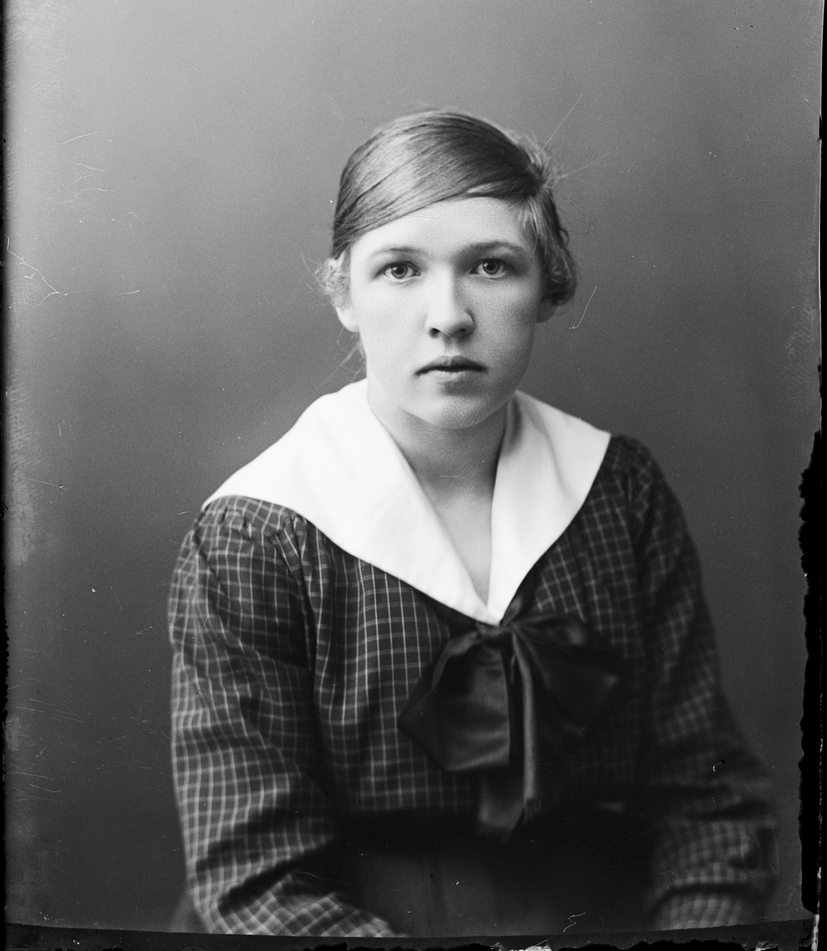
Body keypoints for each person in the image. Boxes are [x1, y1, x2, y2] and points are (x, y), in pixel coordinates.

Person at [168, 111, 775, 937]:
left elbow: (706, 810)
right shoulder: (259, 538)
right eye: (400, 270)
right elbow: (256, 882)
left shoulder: (618, 493)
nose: (448, 315)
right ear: (343, 295)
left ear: (546, 284)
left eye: (490, 266)